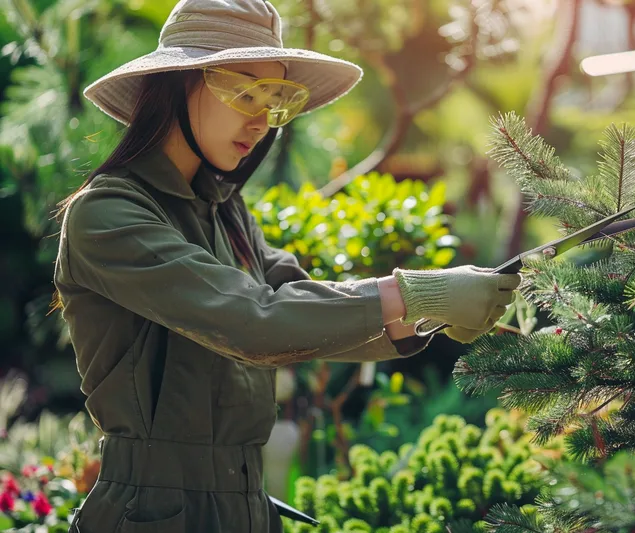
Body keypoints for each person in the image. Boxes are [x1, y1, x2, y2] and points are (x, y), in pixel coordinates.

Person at [51, 0, 521, 531]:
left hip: (246, 505)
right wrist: (415, 293)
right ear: (179, 82)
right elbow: (257, 322)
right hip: (153, 512)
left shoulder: (225, 210)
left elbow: (297, 305)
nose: (260, 119)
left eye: (275, 99)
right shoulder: (107, 214)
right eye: (245, 91)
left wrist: (428, 310)